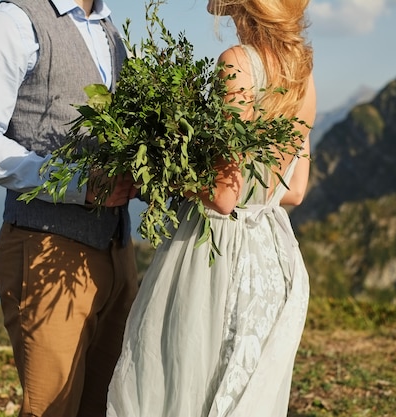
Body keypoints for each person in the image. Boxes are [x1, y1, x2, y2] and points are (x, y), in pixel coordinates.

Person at [106, 0, 316, 416]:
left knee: (181, 383)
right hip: (272, 256)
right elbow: (294, 191)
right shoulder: (303, 73)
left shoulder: (237, 62)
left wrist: (162, 170)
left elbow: (223, 195)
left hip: (219, 255)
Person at [0, 1, 139, 416]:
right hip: (46, 251)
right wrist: (78, 183)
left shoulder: (106, 26)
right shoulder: (10, 23)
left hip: (117, 248)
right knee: (51, 409)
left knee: (110, 404)